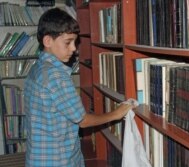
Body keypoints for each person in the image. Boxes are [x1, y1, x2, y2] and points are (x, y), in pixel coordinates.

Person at [24, 8, 133, 167]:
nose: (74, 48)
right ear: (48, 41)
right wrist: (116, 114)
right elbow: (83, 120)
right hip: (58, 161)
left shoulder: (37, 68)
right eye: (68, 42)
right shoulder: (56, 76)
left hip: (38, 157)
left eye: (75, 42)